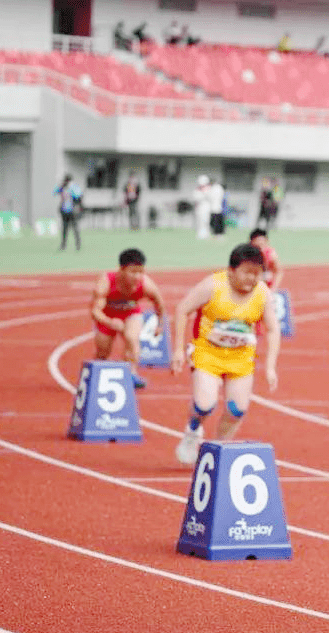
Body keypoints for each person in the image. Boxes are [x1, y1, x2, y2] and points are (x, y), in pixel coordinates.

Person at [171, 243, 281, 465]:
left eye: (257, 274)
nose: (252, 279)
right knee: (205, 404)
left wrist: (270, 366)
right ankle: (192, 431)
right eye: (247, 272)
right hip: (208, 353)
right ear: (232, 270)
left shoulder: (262, 294)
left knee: (236, 410)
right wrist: (177, 350)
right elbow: (182, 309)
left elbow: (273, 329)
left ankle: (218, 450)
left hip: (240, 358)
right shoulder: (213, 285)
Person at [90, 248, 165, 390]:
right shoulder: (105, 282)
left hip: (131, 314)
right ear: (121, 269)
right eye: (133, 272)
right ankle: (98, 376)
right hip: (107, 316)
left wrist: (160, 325)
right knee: (102, 351)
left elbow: (160, 305)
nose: (137, 276)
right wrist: (109, 322)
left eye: (140, 272)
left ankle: (131, 373)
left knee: (132, 338)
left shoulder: (146, 285)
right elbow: (95, 311)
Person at [54, 173, 82, 251]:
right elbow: (54, 192)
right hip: (64, 211)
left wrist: (71, 188)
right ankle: (63, 245)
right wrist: (61, 186)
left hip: (72, 211)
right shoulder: (62, 187)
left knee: (74, 228)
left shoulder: (73, 187)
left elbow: (78, 195)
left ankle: (78, 244)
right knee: (64, 229)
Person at [193, 175, 211, 240]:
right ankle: (200, 234)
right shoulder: (197, 190)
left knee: (206, 221)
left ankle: (206, 234)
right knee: (199, 221)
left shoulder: (209, 189)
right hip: (199, 207)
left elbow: (210, 197)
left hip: (206, 207)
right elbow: (195, 198)